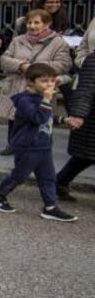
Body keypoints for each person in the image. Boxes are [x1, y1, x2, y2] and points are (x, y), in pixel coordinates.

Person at [0, 63, 73, 221]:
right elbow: (38, 118)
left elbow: (46, 120)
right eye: (44, 81)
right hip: (27, 146)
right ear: (30, 82)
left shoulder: (42, 98)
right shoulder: (25, 101)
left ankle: (50, 207)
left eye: (52, 81)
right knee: (20, 175)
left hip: (43, 145)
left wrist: (62, 119)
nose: (50, 85)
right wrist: (47, 99)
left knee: (48, 177)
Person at [0, 9, 72, 155]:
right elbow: (4, 60)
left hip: (41, 88)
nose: (32, 26)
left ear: (47, 24)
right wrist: (21, 65)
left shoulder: (58, 42)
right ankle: (13, 144)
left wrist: (37, 68)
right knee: (15, 116)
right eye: (29, 22)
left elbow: (64, 64)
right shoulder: (18, 40)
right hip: (17, 84)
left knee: (39, 117)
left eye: (37, 22)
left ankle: (38, 146)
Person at [58, 51, 95, 201]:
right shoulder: (93, 60)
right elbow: (86, 89)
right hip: (91, 117)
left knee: (85, 157)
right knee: (85, 155)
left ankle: (59, 181)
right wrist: (78, 114)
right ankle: (59, 182)